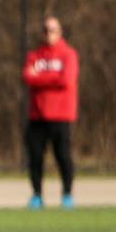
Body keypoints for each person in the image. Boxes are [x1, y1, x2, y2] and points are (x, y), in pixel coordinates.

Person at [23, 15, 79, 209]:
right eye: (45, 30)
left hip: (61, 115)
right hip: (37, 116)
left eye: (53, 30)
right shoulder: (34, 56)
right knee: (35, 158)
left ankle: (67, 195)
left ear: (60, 32)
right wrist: (53, 77)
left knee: (63, 156)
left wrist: (41, 78)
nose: (49, 34)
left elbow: (66, 80)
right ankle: (37, 196)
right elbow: (28, 77)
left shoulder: (68, 55)